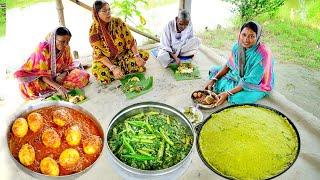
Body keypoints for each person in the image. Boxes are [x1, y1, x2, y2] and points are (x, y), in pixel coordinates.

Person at [204, 21, 275, 106]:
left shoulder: (263, 55)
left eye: (251, 36)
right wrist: (214, 79)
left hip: (255, 83)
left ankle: (227, 91)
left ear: (258, 37)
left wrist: (228, 93)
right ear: (240, 34)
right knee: (213, 70)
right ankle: (228, 88)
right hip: (237, 76)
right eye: (244, 35)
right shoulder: (237, 46)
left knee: (237, 98)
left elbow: (251, 81)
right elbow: (228, 66)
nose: (246, 40)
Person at [14, 27, 90, 100]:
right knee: (34, 88)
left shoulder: (66, 47)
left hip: (58, 76)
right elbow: (41, 74)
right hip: (38, 78)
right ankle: (55, 87)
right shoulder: (43, 49)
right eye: (62, 41)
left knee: (83, 76)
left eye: (68, 41)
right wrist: (58, 87)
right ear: (53, 39)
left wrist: (64, 74)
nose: (66, 44)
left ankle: (56, 86)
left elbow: (69, 65)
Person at [89, 0, 149, 84]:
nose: (108, 13)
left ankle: (120, 71)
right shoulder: (93, 31)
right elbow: (99, 54)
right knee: (98, 70)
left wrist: (137, 56)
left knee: (143, 55)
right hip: (109, 61)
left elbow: (130, 40)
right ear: (97, 14)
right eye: (104, 11)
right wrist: (112, 67)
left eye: (109, 10)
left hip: (124, 55)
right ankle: (119, 70)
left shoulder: (118, 22)